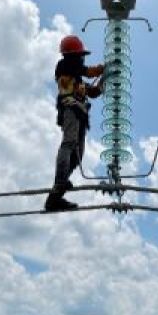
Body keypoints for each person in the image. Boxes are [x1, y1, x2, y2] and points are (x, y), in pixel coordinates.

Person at [44, 34, 104, 212]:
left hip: (80, 114)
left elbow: (93, 92)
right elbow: (88, 71)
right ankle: (60, 182)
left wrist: (105, 78)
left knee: (78, 155)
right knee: (69, 143)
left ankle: (55, 196)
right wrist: (103, 68)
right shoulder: (65, 66)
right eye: (80, 55)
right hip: (70, 110)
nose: (82, 58)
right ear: (73, 56)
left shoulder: (76, 79)